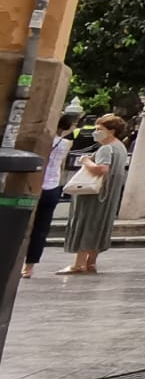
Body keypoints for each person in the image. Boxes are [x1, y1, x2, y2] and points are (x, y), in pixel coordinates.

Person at [56, 114, 129, 275]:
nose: (96, 132)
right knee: (98, 225)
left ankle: (78, 264)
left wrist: (85, 161)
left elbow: (102, 169)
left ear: (111, 131)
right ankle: (91, 262)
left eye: (99, 129)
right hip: (109, 195)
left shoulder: (106, 148)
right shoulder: (121, 148)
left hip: (94, 194)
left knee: (86, 223)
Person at [22, 113, 77, 279]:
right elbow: (61, 165)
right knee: (41, 228)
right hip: (52, 186)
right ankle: (29, 266)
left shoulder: (41, 141)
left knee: (21, 223)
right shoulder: (66, 143)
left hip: (32, 186)